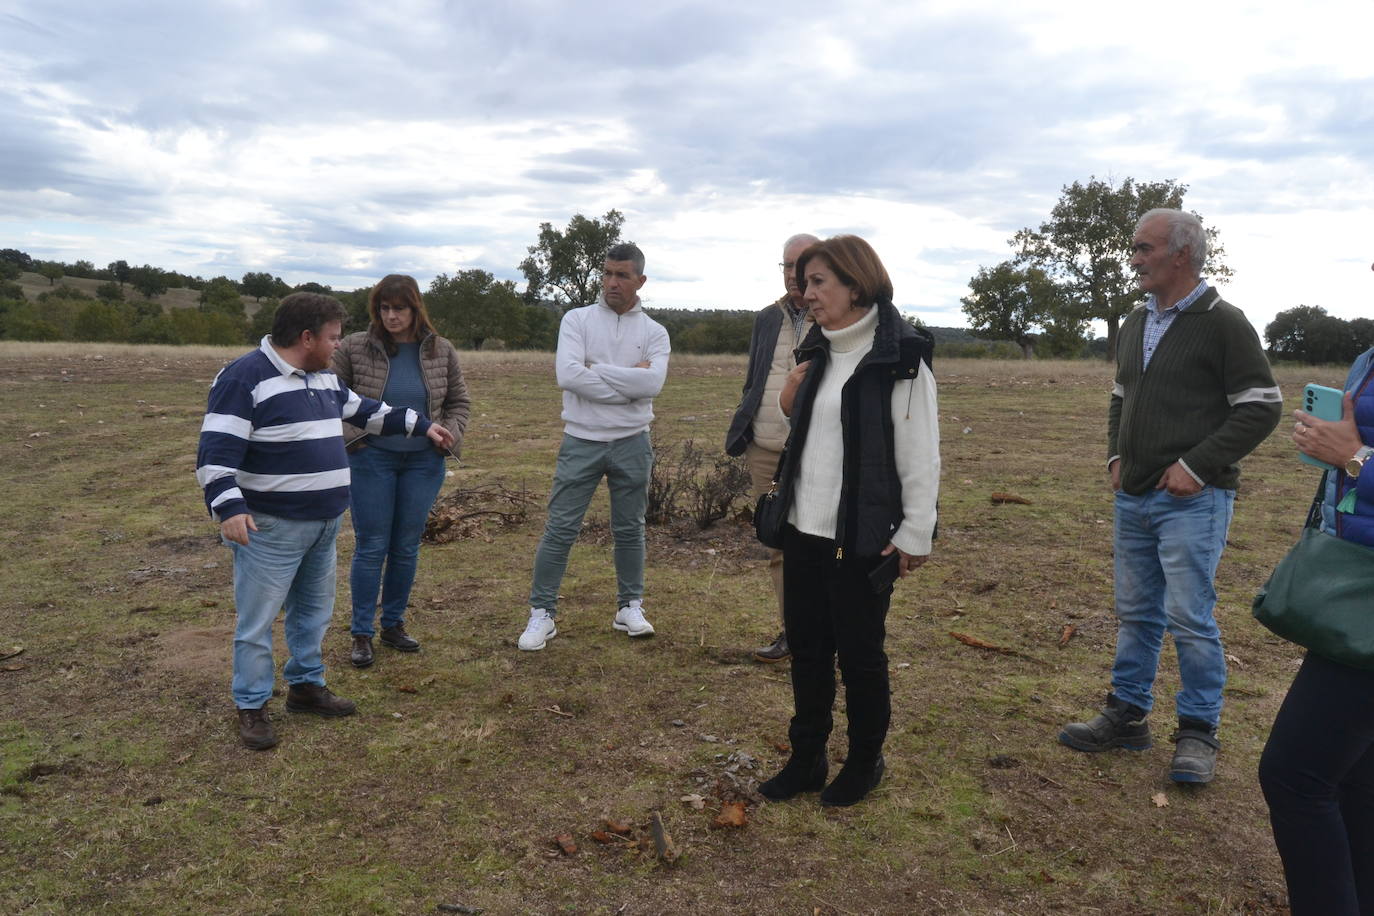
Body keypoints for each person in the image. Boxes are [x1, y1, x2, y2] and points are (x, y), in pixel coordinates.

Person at [1058, 208, 1282, 784]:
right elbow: (1119, 395)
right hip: (1133, 495)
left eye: (1143, 248)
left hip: (1193, 501)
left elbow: (1261, 404)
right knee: (1136, 613)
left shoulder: (1225, 322)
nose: (1132, 258)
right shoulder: (1136, 322)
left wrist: (1196, 465)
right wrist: (1115, 455)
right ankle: (1128, 715)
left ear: (1180, 254)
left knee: (1190, 617)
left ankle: (1199, 731)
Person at [196, 292, 454, 750]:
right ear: (307, 336)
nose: (338, 346)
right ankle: (252, 704)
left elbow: (364, 412)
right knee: (258, 622)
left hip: (324, 523)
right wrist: (229, 507)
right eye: (333, 338)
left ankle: (306, 687)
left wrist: (420, 424)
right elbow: (215, 454)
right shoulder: (244, 378)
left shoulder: (323, 379)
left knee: (313, 613)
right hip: (270, 529)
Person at [758, 235, 939, 808]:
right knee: (809, 649)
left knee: (861, 656)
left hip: (860, 539)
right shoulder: (817, 354)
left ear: (855, 285)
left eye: (818, 283)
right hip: (803, 530)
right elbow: (809, 443)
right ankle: (806, 758)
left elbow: (921, 453)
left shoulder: (900, 358)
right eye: (803, 281)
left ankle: (865, 761)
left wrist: (914, 532)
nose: (805, 292)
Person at [1258, 268, 1374, 914]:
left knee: (1293, 775)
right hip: (1356, 585)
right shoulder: (1368, 356)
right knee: (1355, 780)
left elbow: (1362, 458)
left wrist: (1357, 460)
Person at [517, 243, 671, 651]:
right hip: (581, 439)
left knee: (630, 528)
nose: (612, 282)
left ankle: (629, 607)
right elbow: (568, 376)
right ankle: (542, 613)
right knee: (561, 527)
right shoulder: (577, 320)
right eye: (607, 273)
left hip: (632, 442)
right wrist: (626, 384)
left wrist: (596, 370)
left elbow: (652, 385)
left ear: (640, 280)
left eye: (622, 275)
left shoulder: (654, 332)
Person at [331, 274, 471, 668]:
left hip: (423, 462)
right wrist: (354, 439)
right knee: (372, 545)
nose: (391, 316)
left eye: (399, 308)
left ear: (415, 309)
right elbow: (331, 398)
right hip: (371, 458)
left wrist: (450, 435)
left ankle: (393, 624)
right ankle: (361, 632)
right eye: (384, 308)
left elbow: (459, 401)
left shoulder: (440, 350)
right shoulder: (356, 346)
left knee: (406, 546)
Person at [725, 233, 818, 663]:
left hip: (816, 452)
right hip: (764, 449)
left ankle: (827, 637)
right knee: (777, 544)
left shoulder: (838, 315)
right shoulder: (766, 318)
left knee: (820, 545)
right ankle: (794, 634)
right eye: (785, 265)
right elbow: (754, 377)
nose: (792, 274)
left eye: (801, 265)